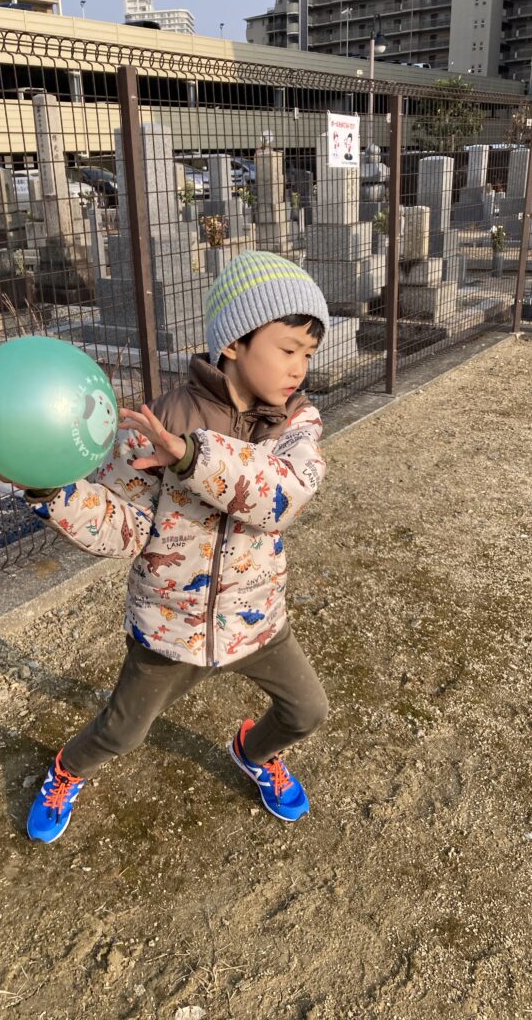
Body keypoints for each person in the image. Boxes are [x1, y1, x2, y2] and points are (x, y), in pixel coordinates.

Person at [20, 250, 331, 844]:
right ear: (234, 342)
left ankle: (253, 751)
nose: (299, 368)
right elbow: (125, 525)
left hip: (254, 618)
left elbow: (282, 497)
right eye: (288, 349)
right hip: (170, 624)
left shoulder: (297, 423)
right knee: (122, 732)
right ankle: (67, 769)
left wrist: (192, 457)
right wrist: (52, 493)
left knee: (306, 711)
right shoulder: (163, 418)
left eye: (308, 355)